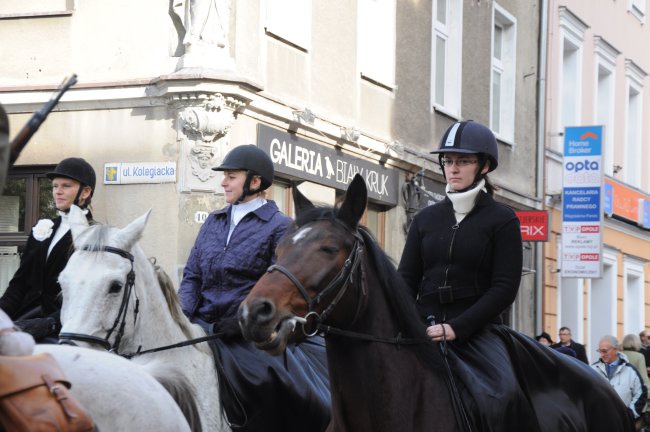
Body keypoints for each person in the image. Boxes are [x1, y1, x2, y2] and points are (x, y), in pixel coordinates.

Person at [398, 120, 635, 431]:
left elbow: (504, 288)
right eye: (448, 161)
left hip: (478, 332)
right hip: (423, 327)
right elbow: (404, 279)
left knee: (503, 395)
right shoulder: (426, 218)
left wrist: (457, 327)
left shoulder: (502, 219)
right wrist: (411, 321)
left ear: (483, 166)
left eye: (463, 161)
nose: (453, 169)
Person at [178, 144, 330, 432]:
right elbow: (193, 277)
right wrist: (181, 318)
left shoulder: (280, 226)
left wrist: (242, 321)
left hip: (246, 331)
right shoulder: (213, 221)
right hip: (202, 325)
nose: (223, 182)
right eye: (225, 176)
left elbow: (282, 287)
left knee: (265, 378)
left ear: (255, 182)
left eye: (231, 176)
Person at [0, 157, 96, 342]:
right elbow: (19, 283)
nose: (57, 192)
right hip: (24, 318)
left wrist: (49, 323)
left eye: (65, 186)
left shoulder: (94, 235)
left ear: (85, 192)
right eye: (54, 186)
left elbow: (88, 297)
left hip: (65, 327)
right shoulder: (43, 228)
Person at [592, 335, 647, 427]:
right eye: (600, 351)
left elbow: (641, 393)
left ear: (616, 349)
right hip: (598, 423)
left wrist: (630, 415)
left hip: (623, 424)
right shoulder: (592, 369)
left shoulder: (630, 371)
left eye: (605, 351)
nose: (602, 354)